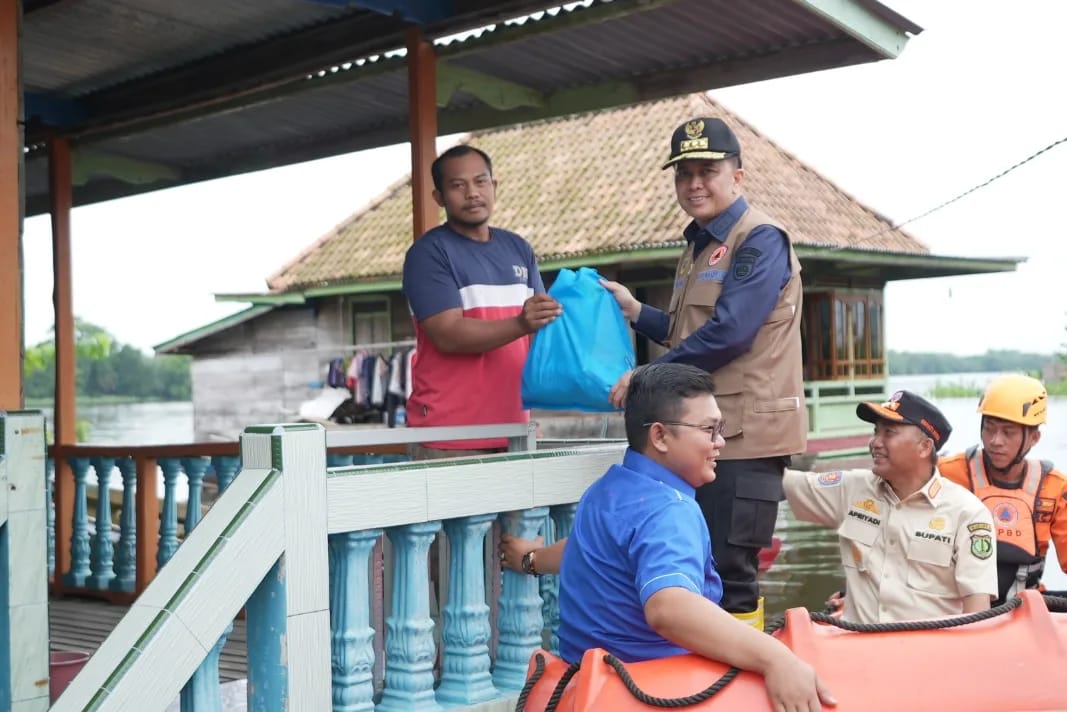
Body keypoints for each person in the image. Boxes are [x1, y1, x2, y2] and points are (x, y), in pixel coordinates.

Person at [600, 117, 809, 626]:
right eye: (683, 173)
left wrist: (648, 376)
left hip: (746, 437)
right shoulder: (698, 244)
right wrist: (636, 311)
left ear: (737, 175)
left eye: (707, 171)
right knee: (698, 568)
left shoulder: (759, 239)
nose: (694, 183)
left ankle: (736, 691)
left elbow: (731, 332)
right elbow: (686, 328)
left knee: (732, 571)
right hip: (707, 432)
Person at [555, 362, 834, 710]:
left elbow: (591, 550)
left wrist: (531, 558)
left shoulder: (607, 488)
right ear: (660, 436)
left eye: (721, 428)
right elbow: (668, 607)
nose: (720, 443)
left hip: (581, 683)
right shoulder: (669, 510)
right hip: (646, 688)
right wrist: (776, 658)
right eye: (709, 429)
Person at [401, 145, 561, 459]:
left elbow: (538, 331)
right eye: (458, 185)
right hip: (449, 436)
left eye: (481, 181)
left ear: (494, 186)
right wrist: (519, 323)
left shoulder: (518, 248)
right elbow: (447, 335)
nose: (472, 193)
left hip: (515, 431)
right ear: (439, 198)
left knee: (528, 512)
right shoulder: (429, 253)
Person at [784, 390, 998, 623]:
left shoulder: (967, 514)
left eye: (889, 433)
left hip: (929, 654)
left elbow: (977, 612)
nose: (875, 442)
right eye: (876, 431)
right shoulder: (852, 488)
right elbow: (778, 483)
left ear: (925, 447)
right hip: (856, 649)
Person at [937, 374, 1067, 604]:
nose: (996, 441)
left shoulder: (1053, 487)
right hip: (954, 611)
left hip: (1023, 611)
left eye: (1009, 432)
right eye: (989, 428)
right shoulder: (947, 473)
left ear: (1034, 438)